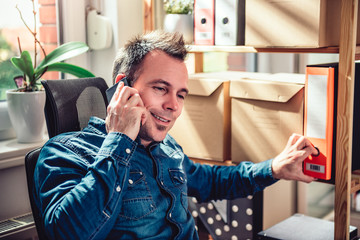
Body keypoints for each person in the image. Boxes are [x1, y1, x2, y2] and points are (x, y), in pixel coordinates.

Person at [34, 30, 318, 239]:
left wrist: (274, 168)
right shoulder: (63, 152)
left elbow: (212, 181)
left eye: (180, 94)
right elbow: (67, 233)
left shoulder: (167, 149)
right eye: (161, 88)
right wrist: (120, 140)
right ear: (123, 88)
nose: (173, 105)